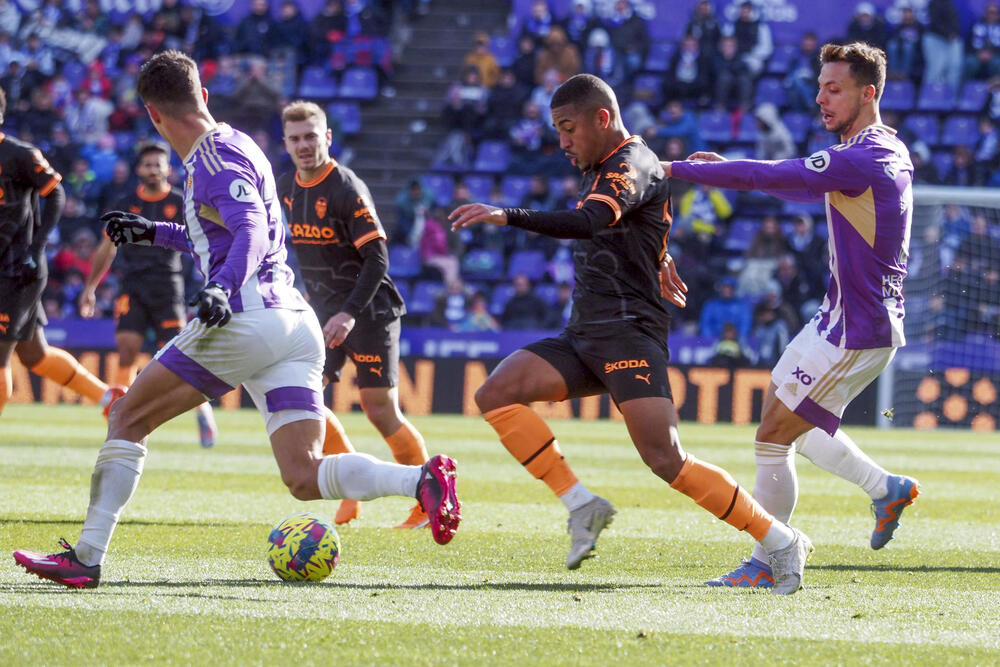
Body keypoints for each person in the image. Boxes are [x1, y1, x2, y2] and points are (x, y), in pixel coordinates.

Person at [13, 51, 460, 590]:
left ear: (152, 115)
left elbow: (247, 229)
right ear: (203, 95)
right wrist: (154, 231)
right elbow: (220, 231)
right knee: (303, 474)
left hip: (246, 315)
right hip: (294, 323)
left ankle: (85, 557)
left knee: (127, 415)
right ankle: (421, 481)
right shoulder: (239, 144)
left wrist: (221, 287)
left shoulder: (210, 161)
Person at [449, 73, 811, 594]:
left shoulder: (630, 162)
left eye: (569, 128)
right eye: (557, 131)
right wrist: (659, 255)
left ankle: (779, 540)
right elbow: (643, 224)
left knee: (665, 459)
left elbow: (591, 221)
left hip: (627, 334)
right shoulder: (605, 165)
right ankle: (582, 504)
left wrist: (507, 215)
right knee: (496, 393)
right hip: (584, 334)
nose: (562, 142)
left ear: (602, 118)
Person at [664, 42, 920, 589]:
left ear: (867, 92)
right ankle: (884, 489)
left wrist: (676, 168)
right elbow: (797, 183)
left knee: (775, 435)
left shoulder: (863, 156)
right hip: (838, 317)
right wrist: (727, 168)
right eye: (820, 87)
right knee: (782, 417)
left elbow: (771, 177)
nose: (821, 99)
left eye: (835, 89)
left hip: (858, 327)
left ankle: (771, 560)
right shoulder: (881, 149)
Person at [277, 100, 432, 529]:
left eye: (312, 136)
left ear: (327, 137)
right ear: (286, 144)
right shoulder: (287, 187)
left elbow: (378, 260)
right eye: (295, 139)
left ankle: (427, 496)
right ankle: (348, 494)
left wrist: (347, 314)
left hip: (368, 311)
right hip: (323, 312)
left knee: (379, 410)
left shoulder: (346, 188)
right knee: (302, 397)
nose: (304, 145)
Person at [79, 142, 218, 449]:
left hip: (168, 285)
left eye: (158, 164)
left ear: (168, 169)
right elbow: (107, 248)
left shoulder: (182, 201)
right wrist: (90, 288)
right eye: (147, 165)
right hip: (132, 284)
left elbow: (203, 243)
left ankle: (202, 409)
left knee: (178, 355)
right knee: (126, 349)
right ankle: (122, 413)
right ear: (138, 170)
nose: (153, 170)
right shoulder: (124, 203)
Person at [0, 88, 121, 419]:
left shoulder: (18, 154)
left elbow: (56, 193)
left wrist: (36, 247)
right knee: (33, 354)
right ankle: (108, 398)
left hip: (16, 270)